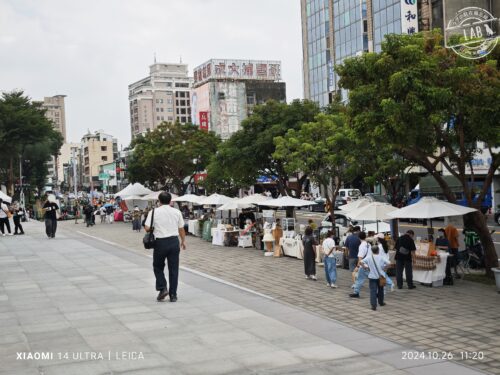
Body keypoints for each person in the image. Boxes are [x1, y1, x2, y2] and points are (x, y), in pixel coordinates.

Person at [144, 192, 186, 302]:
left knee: (157, 266)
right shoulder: (177, 212)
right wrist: (183, 241)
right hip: (173, 242)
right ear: (170, 200)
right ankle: (173, 295)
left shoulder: (153, 212)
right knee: (173, 269)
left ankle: (163, 288)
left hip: (160, 243)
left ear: (159, 200)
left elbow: (147, 228)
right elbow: (181, 228)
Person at [359, 244, 389, 310]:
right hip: (380, 276)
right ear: (378, 250)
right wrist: (385, 268)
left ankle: (373, 305)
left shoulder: (369, 257)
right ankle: (381, 302)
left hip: (372, 276)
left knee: (373, 291)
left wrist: (365, 267)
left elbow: (361, 261)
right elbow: (389, 263)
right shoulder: (381, 257)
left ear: (372, 251)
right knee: (381, 290)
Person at [350, 231, 371, 298]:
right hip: (369, 264)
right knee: (372, 278)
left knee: (360, 279)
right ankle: (380, 290)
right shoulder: (369, 244)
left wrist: (357, 266)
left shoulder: (361, 246)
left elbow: (360, 257)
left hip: (363, 265)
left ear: (359, 237)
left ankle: (356, 292)